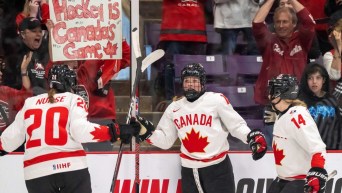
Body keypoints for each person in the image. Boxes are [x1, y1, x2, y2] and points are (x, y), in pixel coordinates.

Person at [0, 64, 141, 193]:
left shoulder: (30, 103)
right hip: (71, 170)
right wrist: (115, 131)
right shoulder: (73, 99)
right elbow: (80, 131)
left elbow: (9, 140)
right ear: (70, 83)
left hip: (36, 174)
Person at [137, 63, 268, 193]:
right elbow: (166, 141)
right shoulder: (174, 108)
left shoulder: (216, 101)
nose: (190, 84)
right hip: (189, 171)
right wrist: (146, 133)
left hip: (218, 169)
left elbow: (236, 126)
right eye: (187, 81)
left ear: (203, 83)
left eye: (195, 80)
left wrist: (251, 137)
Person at [253, 0, 315, 145]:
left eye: (285, 22)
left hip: (297, 102)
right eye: (278, 22)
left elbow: (309, 22)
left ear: (294, 24)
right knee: (272, 147)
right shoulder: (269, 41)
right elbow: (257, 23)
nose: (281, 25)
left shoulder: (302, 40)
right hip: (272, 103)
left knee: (298, 145)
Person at [266, 74, 328, 193]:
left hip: (298, 182)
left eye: (273, 91)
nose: (269, 95)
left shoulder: (297, 115)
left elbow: (317, 148)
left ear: (283, 94)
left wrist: (317, 172)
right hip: (282, 179)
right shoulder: (282, 113)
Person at [156, 0, 207, 101]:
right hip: (173, 34)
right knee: (170, 67)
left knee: (198, 70)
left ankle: (197, 97)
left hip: (197, 34)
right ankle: (171, 99)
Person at [298, 63, 342, 150]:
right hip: (305, 151)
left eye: (318, 78)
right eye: (310, 78)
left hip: (331, 152)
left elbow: (339, 127)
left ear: (324, 80)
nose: (314, 82)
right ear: (306, 80)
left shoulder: (332, 101)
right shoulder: (299, 101)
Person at [3, 17, 49, 95]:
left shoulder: (43, 53)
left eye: (40, 31)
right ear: (23, 34)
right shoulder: (14, 58)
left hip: (45, 102)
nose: (38, 34)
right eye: (34, 31)